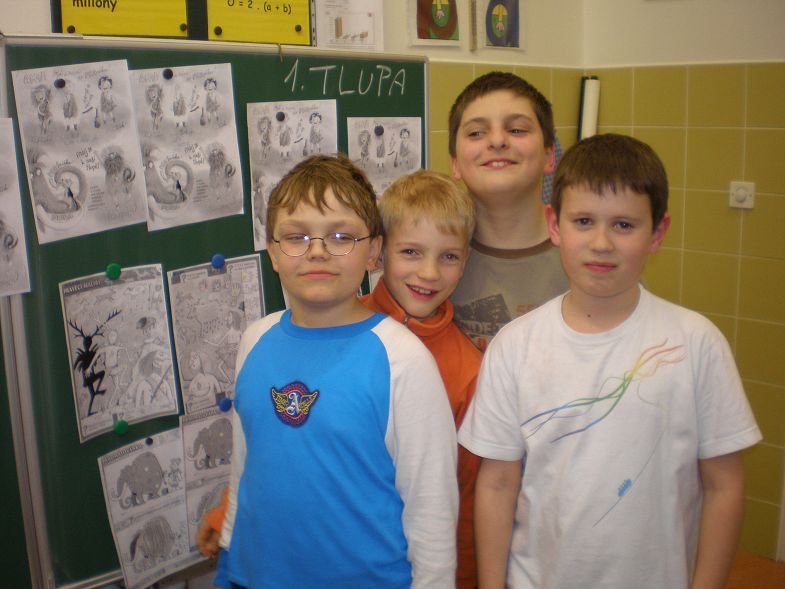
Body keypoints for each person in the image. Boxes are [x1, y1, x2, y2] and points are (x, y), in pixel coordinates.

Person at [458, 133, 762, 589]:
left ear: (657, 233)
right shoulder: (515, 345)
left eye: (623, 225)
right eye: (583, 221)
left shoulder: (697, 344)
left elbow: (724, 486)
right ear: (554, 225)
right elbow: (498, 483)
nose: (601, 243)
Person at [202, 154, 458, 589]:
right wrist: (229, 547)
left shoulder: (402, 360)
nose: (317, 250)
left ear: (373, 252)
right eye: (296, 236)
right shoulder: (254, 340)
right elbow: (246, 463)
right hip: (253, 574)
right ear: (273, 253)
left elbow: (431, 509)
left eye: (341, 236)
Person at [360, 170, 483, 589]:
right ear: (379, 252)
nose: (429, 273)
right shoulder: (337, 328)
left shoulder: (468, 372)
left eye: (448, 256)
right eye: (411, 251)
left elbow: (464, 499)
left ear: (464, 262)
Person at [448, 71, 569, 350]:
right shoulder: (432, 258)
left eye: (517, 130)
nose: (497, 141)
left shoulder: (589, 251)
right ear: (455, 163)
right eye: (476, 133)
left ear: (549, 156)